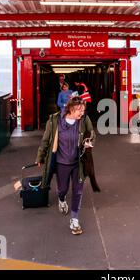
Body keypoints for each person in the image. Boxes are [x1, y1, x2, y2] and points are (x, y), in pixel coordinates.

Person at [36, 97, 96, 235]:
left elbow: (91, 134)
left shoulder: (83, 120)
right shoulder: (55, 121)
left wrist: (88, 141)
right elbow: (45, 140)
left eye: (83, 110)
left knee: (78, 191)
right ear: (71, 109)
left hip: (78, 163)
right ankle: (62, 199)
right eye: (79, 111)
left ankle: (74, 220)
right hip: (61, 163)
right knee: (62, 189)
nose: (82, 113)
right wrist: (40, 156)